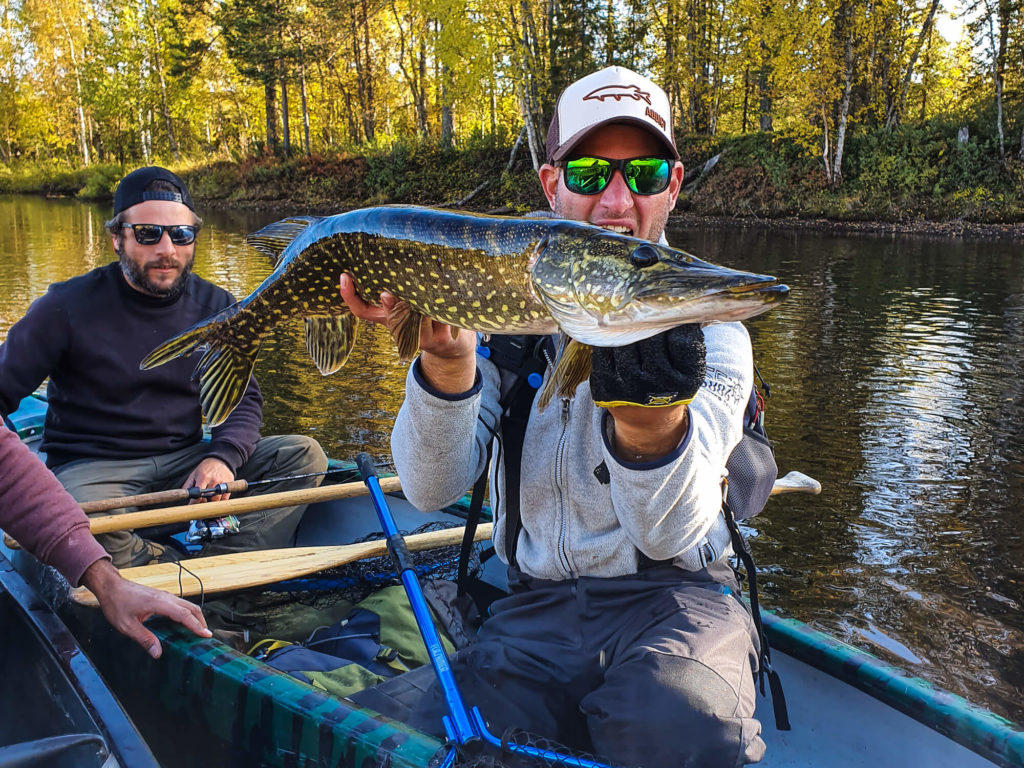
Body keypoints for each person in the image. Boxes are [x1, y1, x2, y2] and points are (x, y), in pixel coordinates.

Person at [340, 66, 764, 767]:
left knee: (686, 725)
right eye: (592, 173)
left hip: (678, 604)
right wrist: (446, 372)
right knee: (391, 745)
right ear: (551, 184)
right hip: (531, 609)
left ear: (675, 185)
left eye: (647, 173)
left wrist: (649, 427)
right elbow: (428, 489)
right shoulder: (506, 328)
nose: (618, 200)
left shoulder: (710, 333)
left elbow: (671, 531)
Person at [0, 167, 328, 568]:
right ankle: (164, 571)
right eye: (148, 234)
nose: (167, 249)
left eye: (181, 234)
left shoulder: (218, 305)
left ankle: (215, 572)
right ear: (118, 237)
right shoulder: (64, 307)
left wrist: (222, 457)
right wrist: (19, 478)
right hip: (97, 477)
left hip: (185, 466)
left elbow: (241, 399)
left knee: (304, 457)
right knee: (71, 513)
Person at [1, 424, 211, 657]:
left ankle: (215, 608)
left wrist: (109, 585)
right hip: (90, 466)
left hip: (187, 456)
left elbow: (7, 465)